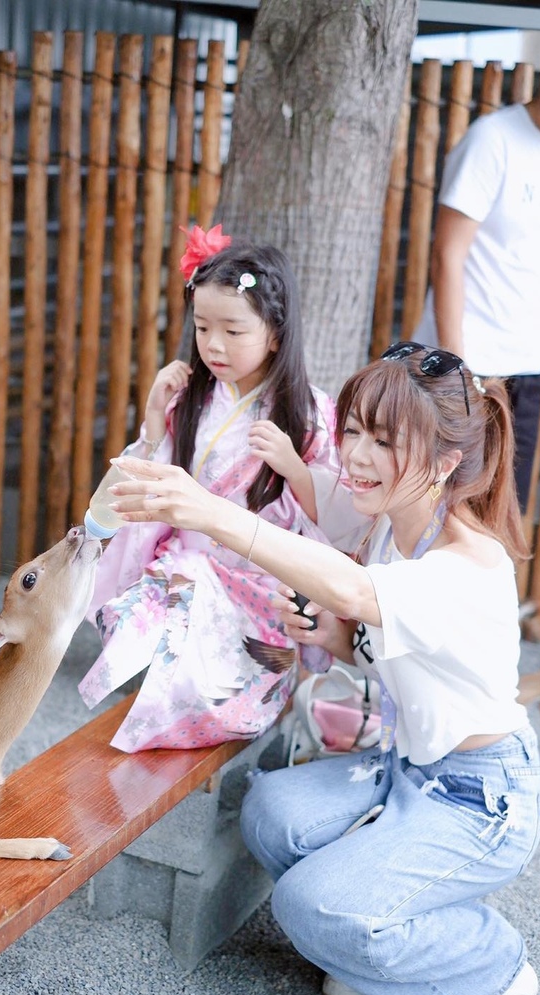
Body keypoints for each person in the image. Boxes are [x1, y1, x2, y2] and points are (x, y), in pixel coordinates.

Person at [106, 342, 540, 995]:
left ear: (444, 461)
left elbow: (349, 585)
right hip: (405, 768)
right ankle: (368, 940)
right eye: (354, 431)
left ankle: (491, 966)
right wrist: (334, 639)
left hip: (478, 799)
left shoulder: (468, 564)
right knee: (271, 815)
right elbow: (342, 557)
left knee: (310, 903)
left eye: (383, 441)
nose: (357, 456)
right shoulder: (388, 519)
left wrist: (208, 512)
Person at [78, 226, 346, 752]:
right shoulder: (190, 399)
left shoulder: (309, 414)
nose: (214, 345)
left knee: (218, 693)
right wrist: (156, 420)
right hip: (184, 570)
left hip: (259, 588)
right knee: (154, 624)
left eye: (233, 330)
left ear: (276, 332)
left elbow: (337, 521)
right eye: (202, 328)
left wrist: (293, 467)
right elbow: (145, 484)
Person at [412, 87, 540, 514]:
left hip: (529, 370)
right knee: (443, 518)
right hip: (473, 368)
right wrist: (457, 372)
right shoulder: (493, 140)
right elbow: (447, 254)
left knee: (502, 520)